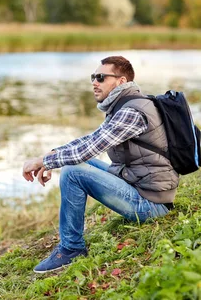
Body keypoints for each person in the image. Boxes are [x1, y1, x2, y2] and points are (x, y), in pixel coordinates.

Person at [22, 55, 179, 274]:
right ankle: (71, 246)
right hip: (139, 185)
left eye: (101, 77)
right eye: (93, 77)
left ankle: (71, 248)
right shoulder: (123, 106)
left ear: (121, 81)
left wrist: (43, 161)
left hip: (151, 204)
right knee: (77, 164)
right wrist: (54, 154)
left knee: (73, 172)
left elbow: (89, 148)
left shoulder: (131, 112)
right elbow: (91, 139)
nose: (94, 82)